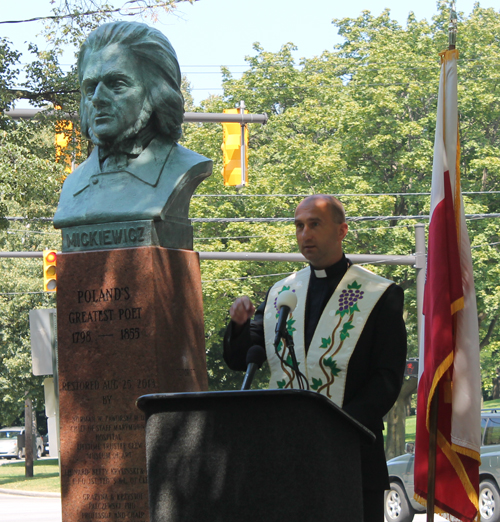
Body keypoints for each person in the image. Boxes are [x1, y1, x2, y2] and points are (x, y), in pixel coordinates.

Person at [224, 194, 407, 522]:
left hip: (352, 455)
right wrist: (238, 326)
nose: (304, 234)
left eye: (314, 224)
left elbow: (387, 377)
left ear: (341, 231)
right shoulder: (282, 293)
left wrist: (338, 427)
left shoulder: (379, 294)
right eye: (299, 226)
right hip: (285, 456)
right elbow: (245, 358)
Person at [53, 21, 212, 230]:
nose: (98, 98)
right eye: (90, 87)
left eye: (116, 84)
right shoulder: (73, 185)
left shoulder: (184, 168)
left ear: (157, 92)